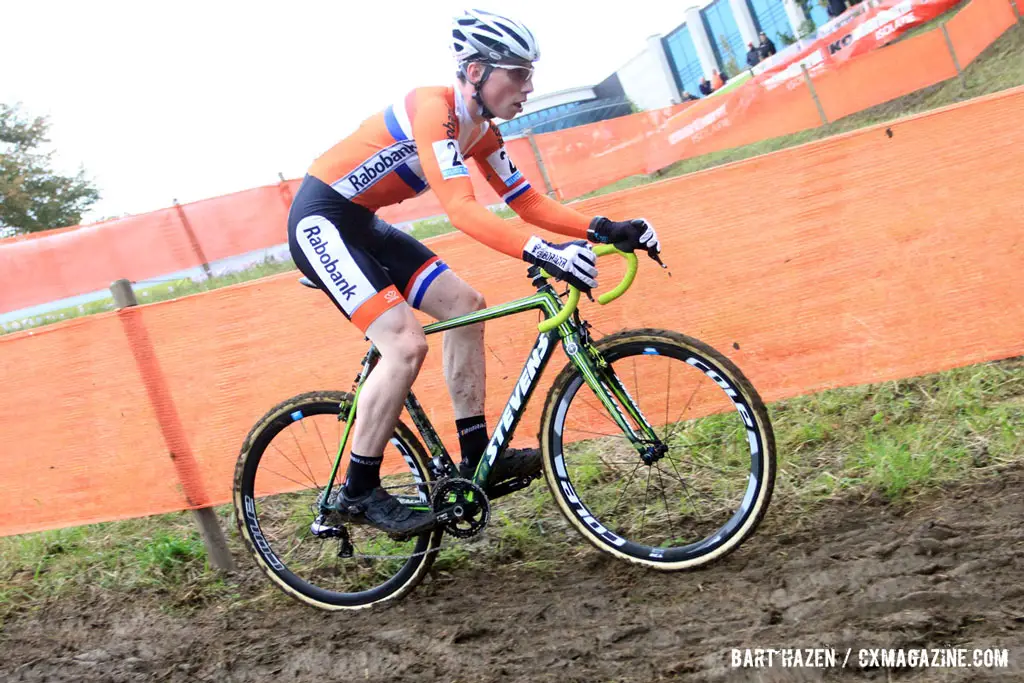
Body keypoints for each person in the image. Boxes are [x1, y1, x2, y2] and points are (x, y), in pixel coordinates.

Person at [286, 9, 662, 535]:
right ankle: (358, 491)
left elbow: (526, 202)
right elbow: (461, 210)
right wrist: (546, 254)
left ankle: (474, 456)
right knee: (405, 344)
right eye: (520, 74)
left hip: (363, 225)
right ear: (478, 71)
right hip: (321, 223)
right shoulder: (432, 108)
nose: (529, 87)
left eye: (530, 74)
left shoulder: (480, 130)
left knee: (466, 305)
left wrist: (604, 228)